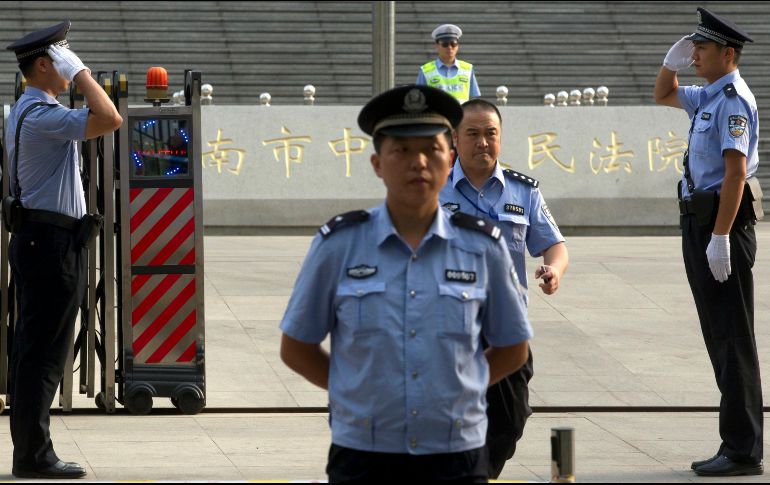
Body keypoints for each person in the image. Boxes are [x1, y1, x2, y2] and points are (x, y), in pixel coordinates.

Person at [279, 84, 532, 483]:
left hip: (456, 453)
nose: (418, 162)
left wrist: (462, 388)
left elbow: (514, 347)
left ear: (449, 160)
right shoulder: (339, 246)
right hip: (364, 452)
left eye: (431, 149)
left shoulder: (483, 246)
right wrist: (355, 393)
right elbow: (296, 346)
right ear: (378, 163)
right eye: (401, 150)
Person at [4, 21, 122, 479]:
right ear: (42, 65)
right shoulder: (42, 116)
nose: (69, 63)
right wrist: (83, 74)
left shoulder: (28, 110)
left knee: (37, 349)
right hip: (48, 244)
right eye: (62, 56)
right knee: (43, 353)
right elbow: (111, 119)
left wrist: (71, 71)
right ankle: (34, 456)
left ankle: (32, 451)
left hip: (44, 241)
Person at [654, 7, 763, 477]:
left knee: (732, 337)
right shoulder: (709, 98)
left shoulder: (734, 101)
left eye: (702, 48)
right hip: (700, 223)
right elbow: (664, 94)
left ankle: (742, 449)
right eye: (692, 47)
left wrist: (719, 237)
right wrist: (669, 62)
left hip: (722, 226)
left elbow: (736, 173)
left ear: (729, 54)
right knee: (718, 335)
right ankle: (737, 441)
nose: (694, 54)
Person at [439, 99, 568, 478]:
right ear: (455, 139)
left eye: (490, 133)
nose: (483, 142)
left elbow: (554, 245)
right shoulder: (433, 189)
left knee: (509, 422)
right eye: (473, 134)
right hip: (449, 327)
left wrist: (554, 270)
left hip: (506, 331)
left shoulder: (522, 191)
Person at [416, 24, 480, 104]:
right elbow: (419, 100)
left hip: (462, 116)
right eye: (445, 44)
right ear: (436, 45)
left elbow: (474, 100)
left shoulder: (467, 69)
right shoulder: (425, 71)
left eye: (453, 43)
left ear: (458, 46)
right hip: (436, 116)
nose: (449, 47)